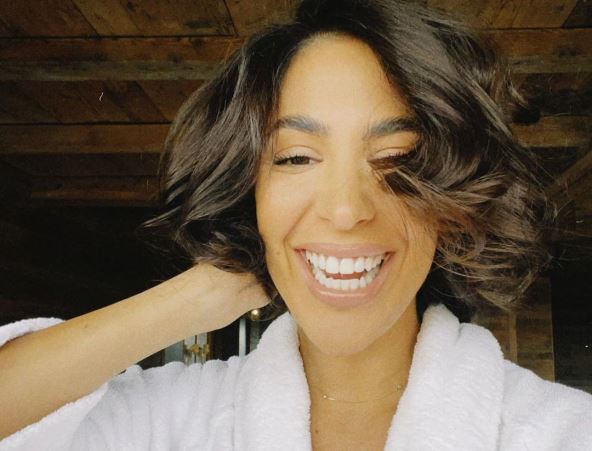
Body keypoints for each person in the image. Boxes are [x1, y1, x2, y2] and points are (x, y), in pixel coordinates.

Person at [1, 0, 591, 449]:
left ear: (454, 200)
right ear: (248, 190)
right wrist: (204, 293)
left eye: (398, 160)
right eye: (296, 157)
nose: (346, 209)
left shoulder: (564, 430)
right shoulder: (171, 421)